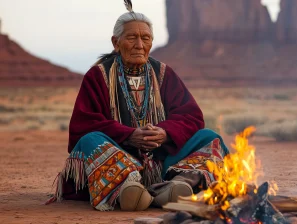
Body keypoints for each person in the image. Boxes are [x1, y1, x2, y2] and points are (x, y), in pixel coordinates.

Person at [46, 1, 229, 212]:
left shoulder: (164, 73)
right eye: (132, 37)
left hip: (163, 161)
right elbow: (84, 124)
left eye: (146, 38)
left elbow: (191, 116)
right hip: (119, 157)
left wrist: (165, 132)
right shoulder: (98, 76)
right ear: (116, 42)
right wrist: (129, 135)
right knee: (90, 140)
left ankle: (178, 184)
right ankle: (128, 188)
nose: (139, 45)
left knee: (209, 137)